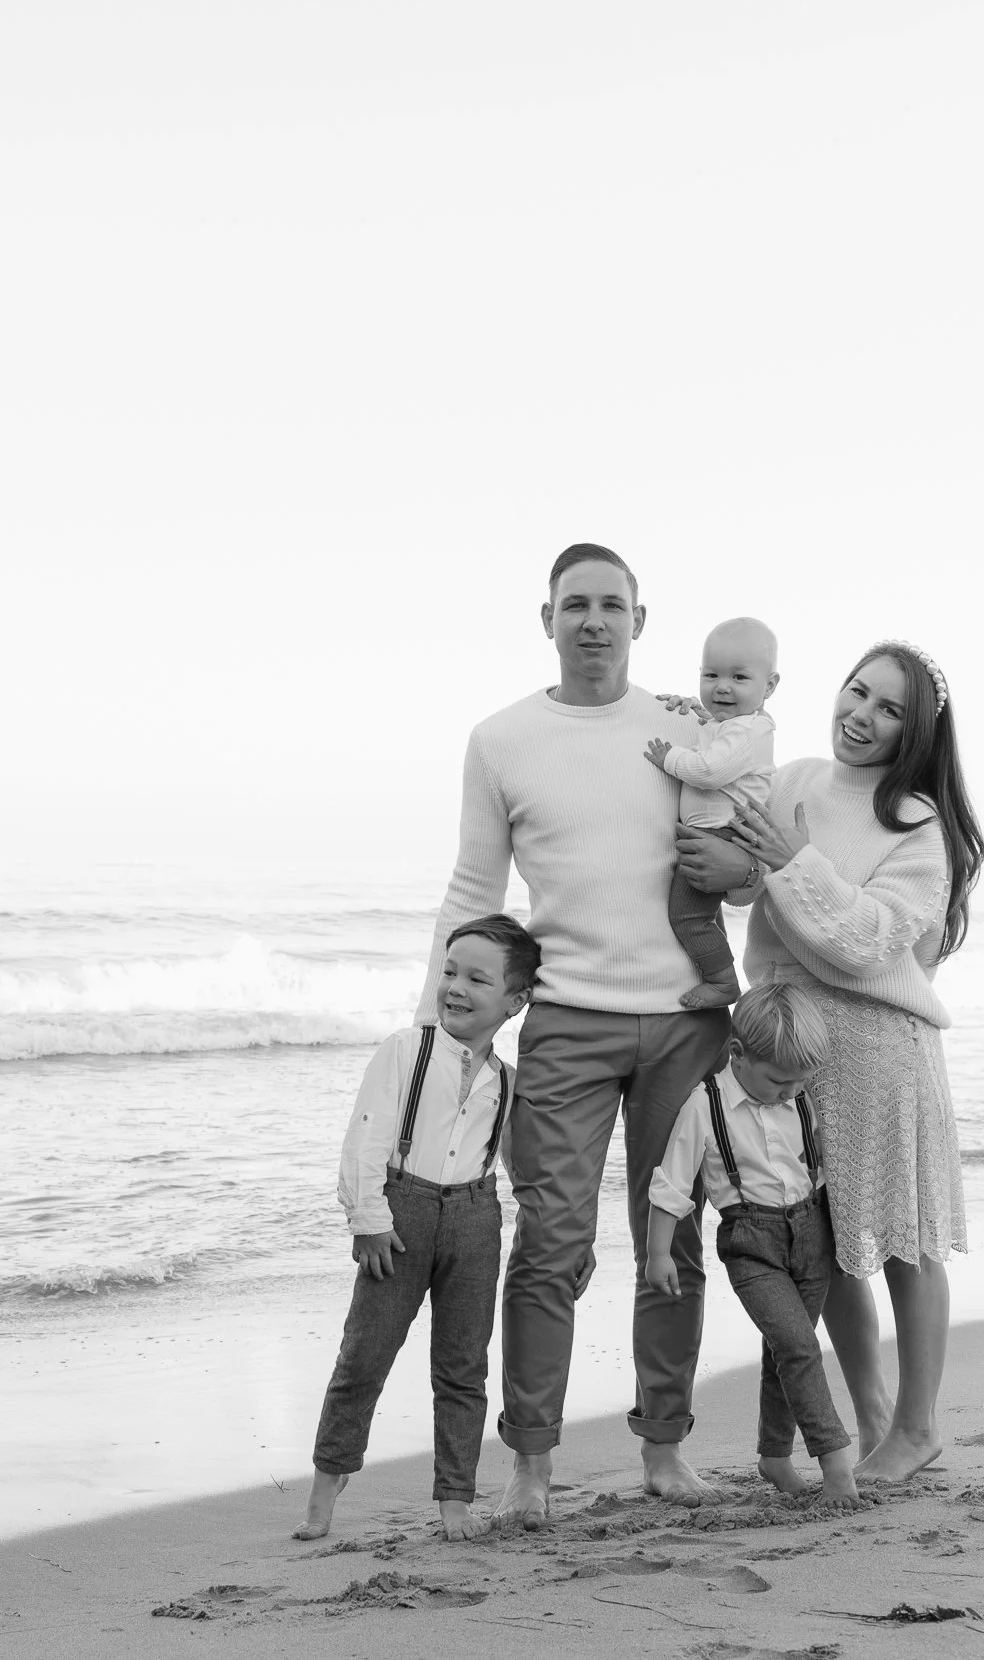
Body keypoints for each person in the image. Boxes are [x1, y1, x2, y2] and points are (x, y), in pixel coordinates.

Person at [418, 543, 730, 1526]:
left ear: (640, 619)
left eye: (611, 604)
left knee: (670, 1236)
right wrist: (440, 1024)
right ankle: (533, 1465)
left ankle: (666, 1448)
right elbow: (475, 888)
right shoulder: (502, 737)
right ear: (545, 617)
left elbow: (741, 848)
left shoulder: (689, 726)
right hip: (564, 1021)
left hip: (686, 1021)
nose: (592, 619)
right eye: (574, 604)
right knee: (548, 1244)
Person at [713, 639, 984, 1485]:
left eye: (889, 708)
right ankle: (871, 1417)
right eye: (857, 692)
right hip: (796, 1044)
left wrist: (788, 860)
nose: (861, 715)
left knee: (904, 1241)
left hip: (879, 1047)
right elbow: (734, 878)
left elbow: (866, 941)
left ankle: (917, 1423)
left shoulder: (918, 827)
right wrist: (710, 729)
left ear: (916, 732)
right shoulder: (793, 780)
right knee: (823, 1244)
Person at [295, 913, 540, 1543]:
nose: (455, 986)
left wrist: (558, 1233)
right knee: (365, 1353)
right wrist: (368, 1219)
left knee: (463, 1366)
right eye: (450, 971)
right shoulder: (407, 1049)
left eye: (477, 978)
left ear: (515, 1001)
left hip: (475, 1219)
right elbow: (366, 1135)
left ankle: (455, 1497)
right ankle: (328, 1479)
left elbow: (518, 1165)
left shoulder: (506, 1081)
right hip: (400, 1217)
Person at [643, 983, 861, 1509]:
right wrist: (657, 1254)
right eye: (779, 1081)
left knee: (786, 1347)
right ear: (737, 1055)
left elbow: (830, 1166)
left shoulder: (800, 1094)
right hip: (750, 1241)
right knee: (800, 1346)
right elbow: (671, 1185)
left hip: (813, 1234)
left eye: (800, 1082)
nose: (791, 1091)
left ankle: (775, 1455)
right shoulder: (705, 1104)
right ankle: (836, 1464)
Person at [643, 617, 779, 1010]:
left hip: (723, 835)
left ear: (769, 686)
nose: (722, 686)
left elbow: (709, 770)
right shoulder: (733, 726)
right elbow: (714, 738)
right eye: (711, 674)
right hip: (716, 832)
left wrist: (668, 756)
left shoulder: (749, 732)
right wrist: (694, 716)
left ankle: (722, 982)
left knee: (688, 918)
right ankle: (715, 970)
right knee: (702, 913)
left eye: (739, 677)